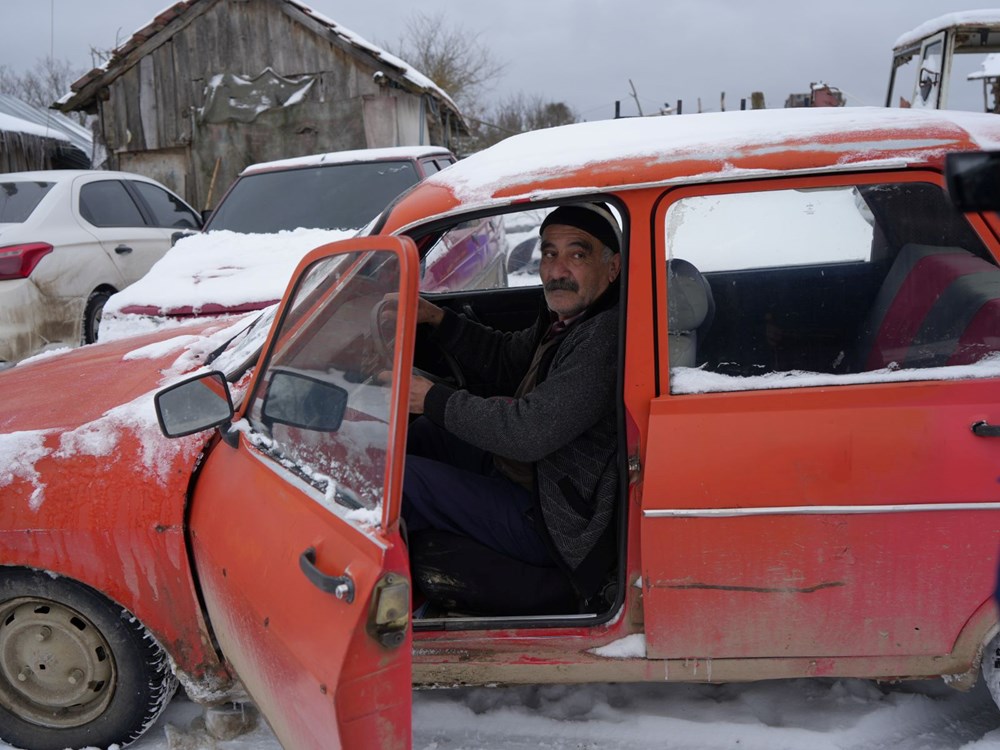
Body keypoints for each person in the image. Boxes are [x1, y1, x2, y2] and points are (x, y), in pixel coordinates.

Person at [402, 202, 622, 607]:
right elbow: (506, 360)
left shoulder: (603, 339)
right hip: (535, 475)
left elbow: (528, 432)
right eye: (549, 253)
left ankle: (378, 605)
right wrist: (437, 318)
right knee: (425, 435)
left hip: (554, 518)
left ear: (613, 267)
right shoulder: (567, 319)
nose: (557, 270)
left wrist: (430, 397)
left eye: (577, 254)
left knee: (404, 483)